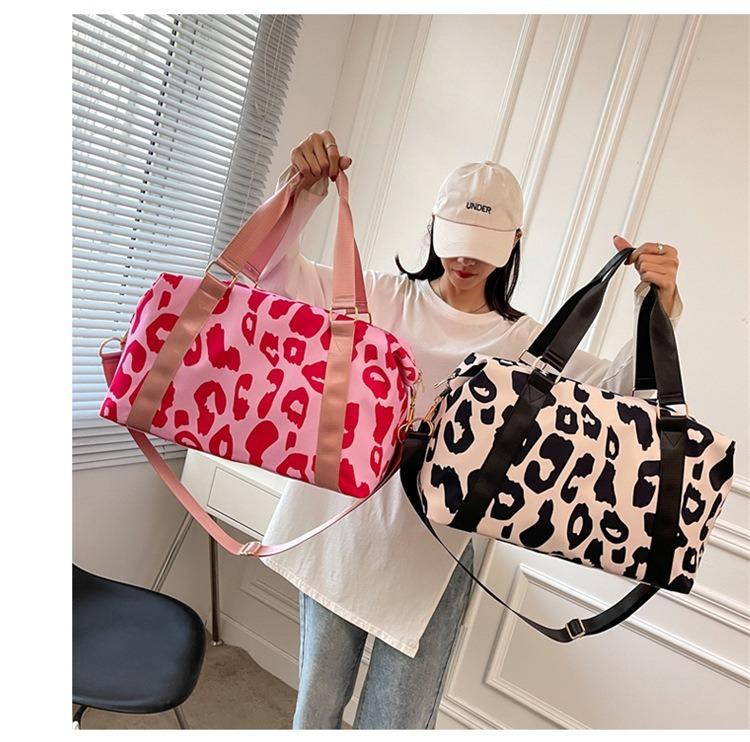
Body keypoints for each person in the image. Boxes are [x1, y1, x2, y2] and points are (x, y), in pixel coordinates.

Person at [257, 130, 683, 729]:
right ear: (433, 226)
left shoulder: (528, 345)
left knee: (396, 724)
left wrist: (655, 304)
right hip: (339, 532)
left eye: (483, 247)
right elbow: (273, 279)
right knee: (317, 710)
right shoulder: (376, 297)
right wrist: (300, 193)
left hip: (436, 558)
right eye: (456, 240)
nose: (464, 261)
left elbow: (625, 397)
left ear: (515, 243)